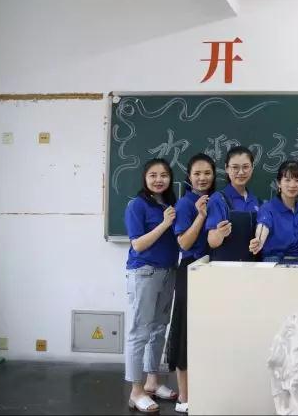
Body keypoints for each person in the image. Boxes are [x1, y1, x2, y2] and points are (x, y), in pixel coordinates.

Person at [123, 158, 179, 413]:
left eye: (164, 175)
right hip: (145, 272)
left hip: (168, 271)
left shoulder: (169, 204)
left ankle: (152, 382)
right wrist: (165, 224)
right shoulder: (137, 205)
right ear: (145, 178)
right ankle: (136, 391)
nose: (159, 180)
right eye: (153, 175)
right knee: (140, 332)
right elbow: (138, 244)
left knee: (158, 330)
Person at [166, 153, 216, 414]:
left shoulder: (219, 199)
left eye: (207, 173)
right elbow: (184, 243)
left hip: (212, 271)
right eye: (197, 173)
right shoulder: (185, 203)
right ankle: (184, 396)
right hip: (190, 270)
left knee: (208, 331)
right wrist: (200, 216)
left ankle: (206, 391)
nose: (202, 178)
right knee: (185, 331)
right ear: (189, 176)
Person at [250, 160, 298, 262]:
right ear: (279, 183)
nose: (292, 185)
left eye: (297, 180)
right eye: (287, 180)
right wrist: (258, 241)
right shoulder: (268, 208)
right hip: (274, 264)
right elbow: (263, 226)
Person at [205, 146, 261, 261]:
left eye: (245, 167)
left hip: (252, 267)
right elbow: (212, 242)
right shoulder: (218, 199)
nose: (241, 172)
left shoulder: (257, 201)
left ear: (252, 168)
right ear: (226, 168)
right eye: (235, 167)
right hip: (225, 268)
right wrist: (220, 233)